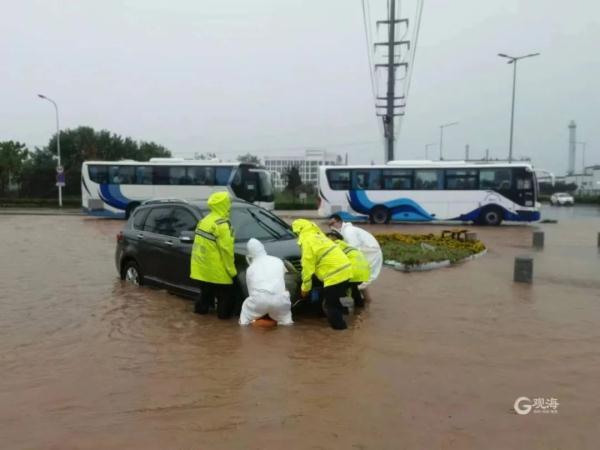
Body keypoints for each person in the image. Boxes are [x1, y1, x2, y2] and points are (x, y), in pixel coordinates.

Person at [292, 219, 353, 330]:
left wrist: (305, 288)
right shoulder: (319, 236)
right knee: (333, 299)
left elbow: (307, 268)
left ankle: (341, 332)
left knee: (329, 306)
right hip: (346, 270)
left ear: (299, 231)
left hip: (335, 275)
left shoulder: (307, 241)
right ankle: (343, 314)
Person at [190, 191, 237, 319]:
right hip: (217, 271)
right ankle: (224, 328)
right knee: (226, 300)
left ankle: (200, 320)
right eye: (228, 203)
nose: (230, 205)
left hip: (201, 269)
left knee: (205, 295)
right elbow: (227, 251)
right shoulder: (222, 225)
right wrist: (232, 272)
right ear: (224, 204)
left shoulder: (204, 221)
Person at [239, 239, 293, 326]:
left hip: (260, 300)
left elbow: (251, 292)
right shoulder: (277, 260)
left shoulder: (251, 269)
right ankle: (277, 321)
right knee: (287, 323)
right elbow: (283, 280)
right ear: (263, 248)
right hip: (280, 300)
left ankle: (256, 323)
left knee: (244, 322)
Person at [328, 214, 383, 295]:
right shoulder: (345, 231)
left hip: (370, 253)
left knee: (361, 278)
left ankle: (363, 299)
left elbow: (354, 248)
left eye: (333, 223)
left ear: (340, 221)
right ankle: (362, 298)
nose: (331, 227)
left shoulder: (349, 231)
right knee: (362, 279)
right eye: (329, 225)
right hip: (367, 252)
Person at [327, 230, 370, 308]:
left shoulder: (335, 246)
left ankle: (346, 310)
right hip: (364, 272)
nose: (327, 239)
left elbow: (331, 261)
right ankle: (360, 309)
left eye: (329, 237)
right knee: (354, 288)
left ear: (334, 238)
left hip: (353, 272)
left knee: (342, 290)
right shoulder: (346, 245)